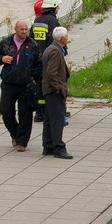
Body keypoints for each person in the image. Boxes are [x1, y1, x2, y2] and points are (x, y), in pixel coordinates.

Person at [0, 20, 42, 152]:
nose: (24, 32)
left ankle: (22, 142)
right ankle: (15, 133)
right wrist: (2, 59)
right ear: (15, 29)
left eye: (26, 29)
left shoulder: (33, 44)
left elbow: (39, 63)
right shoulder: (6, 43)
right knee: (6, 112)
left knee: (25, 114)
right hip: (9, 84)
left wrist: (33, 77)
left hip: (25, 85)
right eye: (21, 29)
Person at [41, 27, 73, 159]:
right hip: (54, 91)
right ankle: (58, 147)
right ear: (62, 38)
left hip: (49, 90)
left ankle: (48, 146)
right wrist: (58, 88)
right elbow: (51, 73)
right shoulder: (55, 51)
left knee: (49, 119)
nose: (68, 38)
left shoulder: (52, 48)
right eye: (66, 36)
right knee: (57, 120)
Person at [31, 0, 62, 122]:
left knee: (39, 85)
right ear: (53, 7)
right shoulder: (52, 21)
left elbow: (31, 39)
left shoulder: (37, 21)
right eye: (58, 7)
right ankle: (47, 112)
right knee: (49, 85)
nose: (59, 9)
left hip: (37, 58)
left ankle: (39, 112)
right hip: (49, 59)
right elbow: (54, 40)